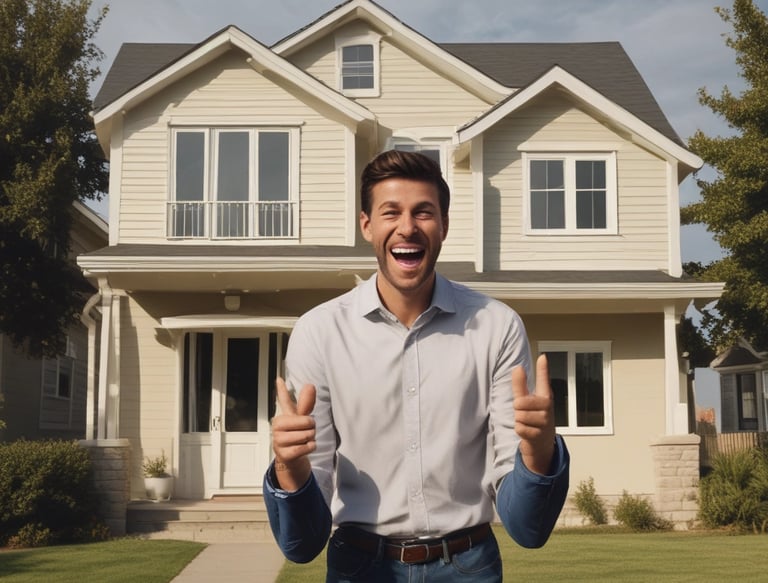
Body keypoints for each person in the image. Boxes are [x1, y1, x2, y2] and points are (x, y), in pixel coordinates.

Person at [263, 150, 569, 582]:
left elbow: (527, 529)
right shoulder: (319, 332)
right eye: (391, 212)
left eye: (423, 212)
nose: (407, 227)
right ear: (366, 224)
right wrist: (289, 470)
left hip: (469, 564)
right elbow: (302, 544)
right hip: (359, 566)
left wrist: (539, 455)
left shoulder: (497, 327)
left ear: (443, 224)